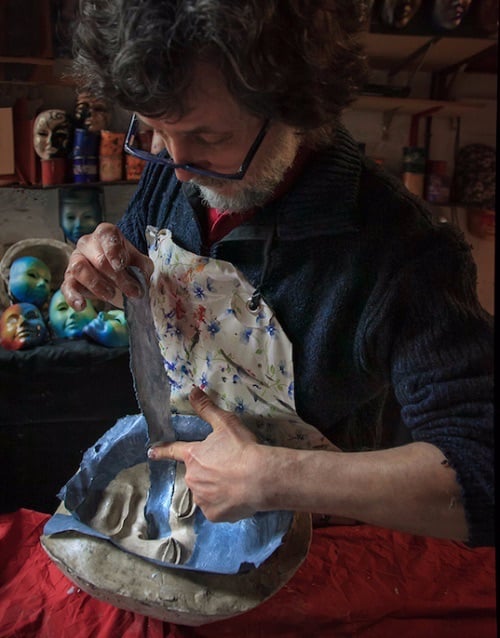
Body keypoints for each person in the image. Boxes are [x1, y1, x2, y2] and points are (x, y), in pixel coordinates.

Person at [62, 0, 493, 547]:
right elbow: (142, 253)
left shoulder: (405, 252)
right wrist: (104, 260)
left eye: (211, 139)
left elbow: (482, 471)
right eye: (153, 131)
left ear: (299, 107)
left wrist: (275, 477)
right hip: (184, 512)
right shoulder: (172, 172)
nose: (178, 164)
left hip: (326, 548)